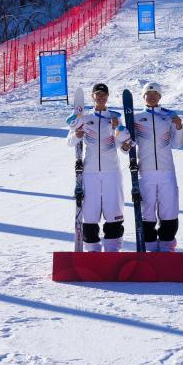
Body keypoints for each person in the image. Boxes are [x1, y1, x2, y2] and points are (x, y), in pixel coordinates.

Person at [120, 82, 183, 252]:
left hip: (166, 171)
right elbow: (128, 143)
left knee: (169, 209)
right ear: (144, 97)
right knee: (147, 210)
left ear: (160, 96)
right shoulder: (136, 118)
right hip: (145, 171)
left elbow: (176, 144)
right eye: (148, 94)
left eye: (155, 93)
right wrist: (125, 146)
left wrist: (179, 127)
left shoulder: (169, 116)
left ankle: (167, 245)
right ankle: (148, 246)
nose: (152, 96)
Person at [66, 82, 124, 252]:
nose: (100, 97)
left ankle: (112, 249)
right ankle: (92, 248)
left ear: (107, 97)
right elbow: (69, 141)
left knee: (113, 209)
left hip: (112, 171)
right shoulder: (84, 118)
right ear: (93, 96)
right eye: (97, 94)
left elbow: (122, 145)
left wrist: (117, 129)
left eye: (103, 94)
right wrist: (76, 135)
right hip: (90, 171)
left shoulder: (115, 117)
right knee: (90, 211)